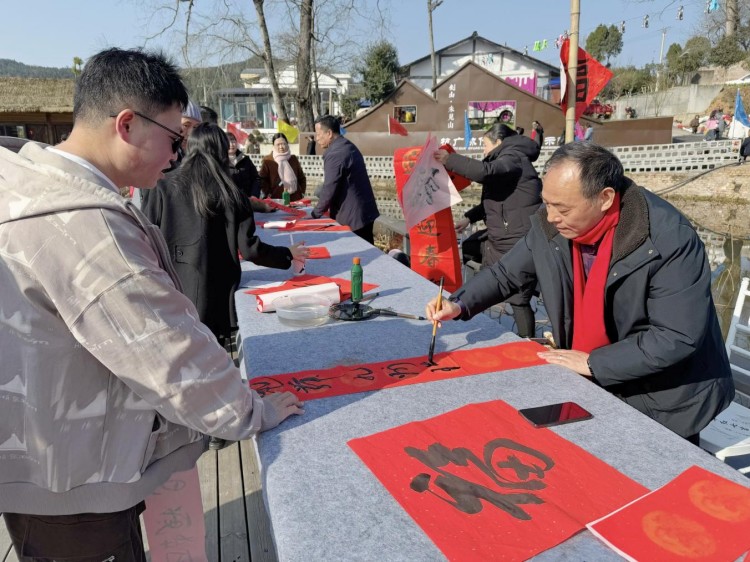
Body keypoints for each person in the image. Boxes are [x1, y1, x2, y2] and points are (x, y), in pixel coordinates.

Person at [0, 48, 303, 560]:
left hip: (43, 452)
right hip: (70, 480)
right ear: (126, 125)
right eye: (172, 138)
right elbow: (168, 350)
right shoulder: (84, 224)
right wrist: (253, 411)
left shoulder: (30, 187)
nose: (176, 155)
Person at [426, 142, 734, 443]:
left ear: (605, 198)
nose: (550, 217)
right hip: (590, 378)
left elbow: (675, 336)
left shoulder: (666, 238)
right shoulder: (553, 227)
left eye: (562, 208)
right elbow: (507, 272)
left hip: (666, 396)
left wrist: (592, 364)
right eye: (547, 203)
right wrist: (459, 303)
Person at [143, 123, 308, 343]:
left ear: (190, 147)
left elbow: (144, 239)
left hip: (170, 292)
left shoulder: (162, 185)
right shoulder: (231, 193)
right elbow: (250, 250)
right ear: (222, 151)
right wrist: (286, 254)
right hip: (217, 299)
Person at [434, 123, 542, 338]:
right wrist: (469, 217)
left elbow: (485, 172)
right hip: (500, 234)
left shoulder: (513, 158)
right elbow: (496, 201)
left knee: (519, 297)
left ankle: (529, 341)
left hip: (516, 238)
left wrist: (448, 159)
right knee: (470, 246)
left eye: (485, 145)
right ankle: (478, 303)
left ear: (498, 142)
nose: (484, 151)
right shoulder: (513, 157)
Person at [311, 114, 380, 243]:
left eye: (318, 134)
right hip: (363, 212)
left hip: (353, 217)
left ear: (329, 133)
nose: (316, 138)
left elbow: (330, 188)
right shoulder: (346, 145)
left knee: (358, 254)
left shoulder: (335, 154)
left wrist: (315, 214)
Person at [259, 132, 307, 201]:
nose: (281, 147)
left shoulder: (293, 159)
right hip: (276, 199)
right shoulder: (268, 161)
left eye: (283, 144)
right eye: (278, 145)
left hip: (295, 199)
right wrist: (268, 193)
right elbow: (262, 180)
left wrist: (302, 192)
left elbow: (302, 178)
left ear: (287, 144)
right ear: (273, 146)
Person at [227, 131, 261, 199]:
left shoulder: (246, 160)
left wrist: (254, 195)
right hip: (229, 202)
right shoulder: (219, 162)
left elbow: (256, 179)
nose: (231, 144)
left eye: (233, 141)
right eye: (228, 142)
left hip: (247, 201)